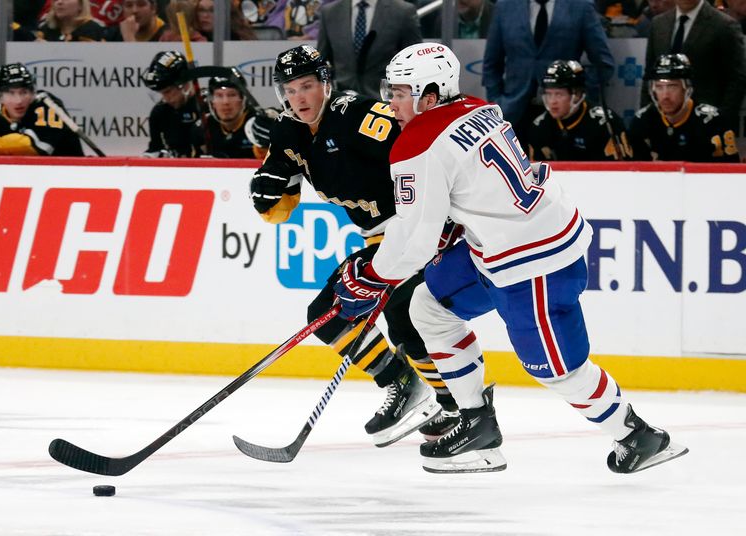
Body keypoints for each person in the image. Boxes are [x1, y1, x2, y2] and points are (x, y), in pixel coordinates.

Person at [334, 42, 689, 474]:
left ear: (429, 95)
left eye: (400, 92)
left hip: (533, 260)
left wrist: (370, 277)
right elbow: (472, 189)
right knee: (428, 307)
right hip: (503, 245)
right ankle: (477, 425)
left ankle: (637, 435)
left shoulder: (416, 144)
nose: (390, 102)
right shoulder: (475, 108)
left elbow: (413, 239)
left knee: (556, 368)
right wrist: (447, 230)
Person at [249, 45, 462, 447]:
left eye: (308, 86)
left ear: (325, 84)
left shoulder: (358, 115)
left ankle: (456, 406)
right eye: (290, 90)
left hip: (421, 229)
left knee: (406, 314)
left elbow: (421, 148)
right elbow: (278, 206)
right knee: (327, 315)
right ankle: (401, 380)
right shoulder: (288, 130)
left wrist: (444, 215)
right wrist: (266, 195)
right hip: (382, 239)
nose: (300, 98)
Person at [482, 0, 615, 149]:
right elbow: (491, 64)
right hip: (513, 114)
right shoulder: (505, 6)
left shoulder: (580, 6)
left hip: (566, 119)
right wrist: (497, 103)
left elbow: (603, 63)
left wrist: (577, 97)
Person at [0, 63, 84, 175]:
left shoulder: (47, 104)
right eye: (10, 93)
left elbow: (38, 146)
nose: (18, 101)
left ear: (32, 92)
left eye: (24, 92)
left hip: (73, 178)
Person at [641, 0, 746, 127]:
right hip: (662, 120)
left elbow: (736, 78)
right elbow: (649, 74)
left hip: (706, 122)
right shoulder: (658, 24)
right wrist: (647, 116)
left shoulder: (724, 25)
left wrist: (722, 120)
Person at [629, 53, 741, 162]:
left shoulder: (713, 122)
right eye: (659, 87)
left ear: (686, 89)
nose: (665, 95)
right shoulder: (642, 121)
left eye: (672, 86)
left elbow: (730, 174)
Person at [529, 59, 633, 161]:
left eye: (559, 94)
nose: (552, 101)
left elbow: (623, 170)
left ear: (577, 94)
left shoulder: (605, 124)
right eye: (549, 94)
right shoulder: (540, 126)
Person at [317, 0, 422, 99]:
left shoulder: (403, 11)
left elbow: (415, 62)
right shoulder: (329, 12)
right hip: (343, 103)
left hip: (386, 104)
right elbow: (321, 62)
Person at [141, 50, 205, 158]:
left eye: (168, 91)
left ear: (184, 84)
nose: (165, 98)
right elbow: (155, 148)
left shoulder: (206, 107)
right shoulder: (159, 112)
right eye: (161, 93)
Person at [205, 73, 268, 159]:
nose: (225, 102)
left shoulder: (259, 126)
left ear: (243, 99)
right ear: (212, 102)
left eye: (232, 95)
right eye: (219, 95)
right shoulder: (203, 127)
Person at [37, 0, 107, 41]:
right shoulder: (46, 29)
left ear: (81, 5)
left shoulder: (93, 29)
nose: (59, 2)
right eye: (56, 0)